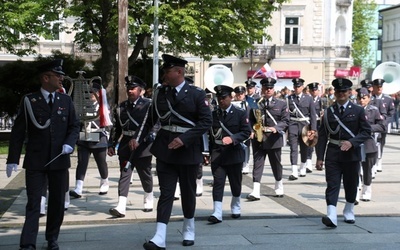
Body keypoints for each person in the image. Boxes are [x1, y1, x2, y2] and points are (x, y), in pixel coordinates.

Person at [6, 59, 80, 250]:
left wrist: (69, 144)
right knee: (34, 203)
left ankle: (52, 238)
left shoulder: (65, 100)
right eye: (58, 75)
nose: (61, 79)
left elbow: (74, 127)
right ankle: (28, 242)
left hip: (59, 160)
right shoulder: (30, 101)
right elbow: (18, 130)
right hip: (36, 161)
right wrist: (12, 159)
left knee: (56, 203)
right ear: (46, 78)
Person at [142, 54, 212, 249]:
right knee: (166, 193)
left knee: (188, 193)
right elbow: (151, 120)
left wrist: (184, 139)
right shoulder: (160, 93)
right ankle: (159, 236)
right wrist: (136, 139)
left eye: (167, 71)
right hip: (165, 150)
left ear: (179, 72)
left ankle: (189, 228)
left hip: (188, 150)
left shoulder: (197, 94)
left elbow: (206, 122)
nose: (164, 74)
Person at [316, 78, 371, 228]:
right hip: (333, 152)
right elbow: (322, 136)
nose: (341, 94)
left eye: (344, 91)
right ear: (335, 93)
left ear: (349, 92)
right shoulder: (328, 112)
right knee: (332, 183)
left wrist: (352, 142)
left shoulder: (358, 110)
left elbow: (367, 131)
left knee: (351, 183)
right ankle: (331, 214)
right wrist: (319, 157)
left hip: (351, 153)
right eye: (338, 91)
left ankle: (349, 210)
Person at [108, 75, 156, 217]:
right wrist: (112, 143)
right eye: (128, 88)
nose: (130, 91)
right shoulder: (121, 107)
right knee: (125, 173)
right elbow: (117, 128)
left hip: (143, 145)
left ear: (141, 91)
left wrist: (144, 138)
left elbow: (154, 125)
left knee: (145, 174)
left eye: (133, 88)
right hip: (125, 145)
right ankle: (121, 205)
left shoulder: (148, 105)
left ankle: (148, 196)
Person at [207, 85, 251, 223]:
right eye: (219, 98)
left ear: (231, 98)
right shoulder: (213, 114)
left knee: (235, 183)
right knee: (218, 182)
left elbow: (246, 132)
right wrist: (206, 153)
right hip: (218, 154)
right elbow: (209, 135)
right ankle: (217, 212)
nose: (221, 100)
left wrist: (232, 139)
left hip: (234, 153)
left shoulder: (240, 113)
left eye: (224, 98)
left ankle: (236, 205)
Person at [247, 78, 289, 200]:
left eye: (270, 88)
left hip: (274, 138)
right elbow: (250, 119)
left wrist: (276, 128)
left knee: (276, 164)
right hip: (259, 137)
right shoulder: (255, 102)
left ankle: (278, 184)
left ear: (273, 89)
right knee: (257, 163)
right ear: (262, 89)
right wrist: (251, 131)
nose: (268, 90)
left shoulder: (281, 103)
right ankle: (255, 190)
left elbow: (285, 120)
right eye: (266, 88)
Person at [69, 81, 110, 199]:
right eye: (89, 93)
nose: (90, 95)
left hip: (98, 137)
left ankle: (104, 181)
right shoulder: (83, 106)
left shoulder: (103, 107)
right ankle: (79, 187)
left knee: (101, 162)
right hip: (85, 136)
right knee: (82, 162)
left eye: (93, 93)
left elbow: (108, 122)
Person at [355, 87, 386, 202]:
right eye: (359, 98)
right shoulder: (353, 110)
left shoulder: (374, 110)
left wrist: (368, 128)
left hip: (369, 143)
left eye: (364, 98)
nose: (361, 100)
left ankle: (366, 190)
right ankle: (355, 191)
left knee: (367, 169)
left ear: (368, 98)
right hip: (356, 143)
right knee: (355, 169)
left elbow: (382, 126)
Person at [287, 78, 317, 180]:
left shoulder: (308, 98)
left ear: (302, 87)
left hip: (305, 125)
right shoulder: (289, 98)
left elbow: (313, 114)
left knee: (305, 148)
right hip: (293, 125)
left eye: (298, 86)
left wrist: (313, 129)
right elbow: (287, 114)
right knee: (293, 148)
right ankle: (294, 170)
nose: (296, 88)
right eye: (295, 86)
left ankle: (303, 166)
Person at [371, 78, 395, 173]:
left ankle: (379, 161)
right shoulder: (370, 98)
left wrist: (385, 122)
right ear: (374, 88)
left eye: (380, 87)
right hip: (372, 126)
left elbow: (391, 112)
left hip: (382, 126)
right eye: (377, 87)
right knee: (371, 144)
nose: (379, 88)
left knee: (381, 143)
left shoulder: (388, 99)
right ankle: (372, 162)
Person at [233, 85, 252, 174]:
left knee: (246, 147)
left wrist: (252, 130)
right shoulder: (233, 104)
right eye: (238, 93)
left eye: (241, 93)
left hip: (246, 128)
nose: (240, 95)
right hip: (236, 129)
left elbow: (252, 118)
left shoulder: (249, 104)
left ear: (244, 94)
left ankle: (246, 164)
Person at [307, 82, 323, 171]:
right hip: (309, 123)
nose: (314, 92)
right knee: (310, 143)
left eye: (315, 90)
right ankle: (308, 163)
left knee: (319, 144)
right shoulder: (307, 100)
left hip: (319, 124)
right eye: (312, 90)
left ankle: (319, 160)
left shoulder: (322, 100)